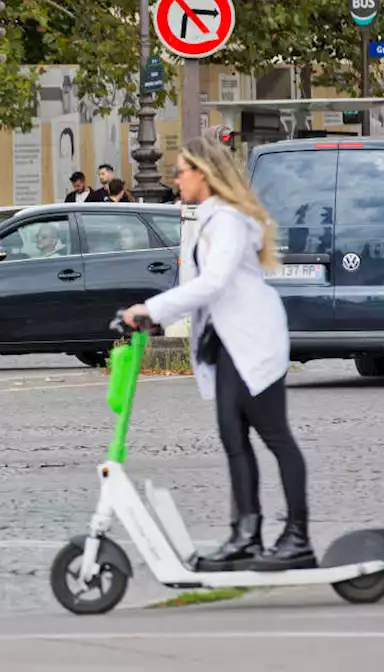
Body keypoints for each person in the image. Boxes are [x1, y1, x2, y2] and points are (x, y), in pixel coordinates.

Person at [122, 136, 313, 572]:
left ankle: (298, 537)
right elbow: (201, 288)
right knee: (232, 437)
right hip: (226, 345)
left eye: (181, 171)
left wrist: (151, 309)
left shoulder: (226, 220)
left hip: (253, 340)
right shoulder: (210, 220)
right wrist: (155, 318)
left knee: (276, 436)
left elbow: (214, 283)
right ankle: (246, 535)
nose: (175, 178)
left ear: (203, 174)